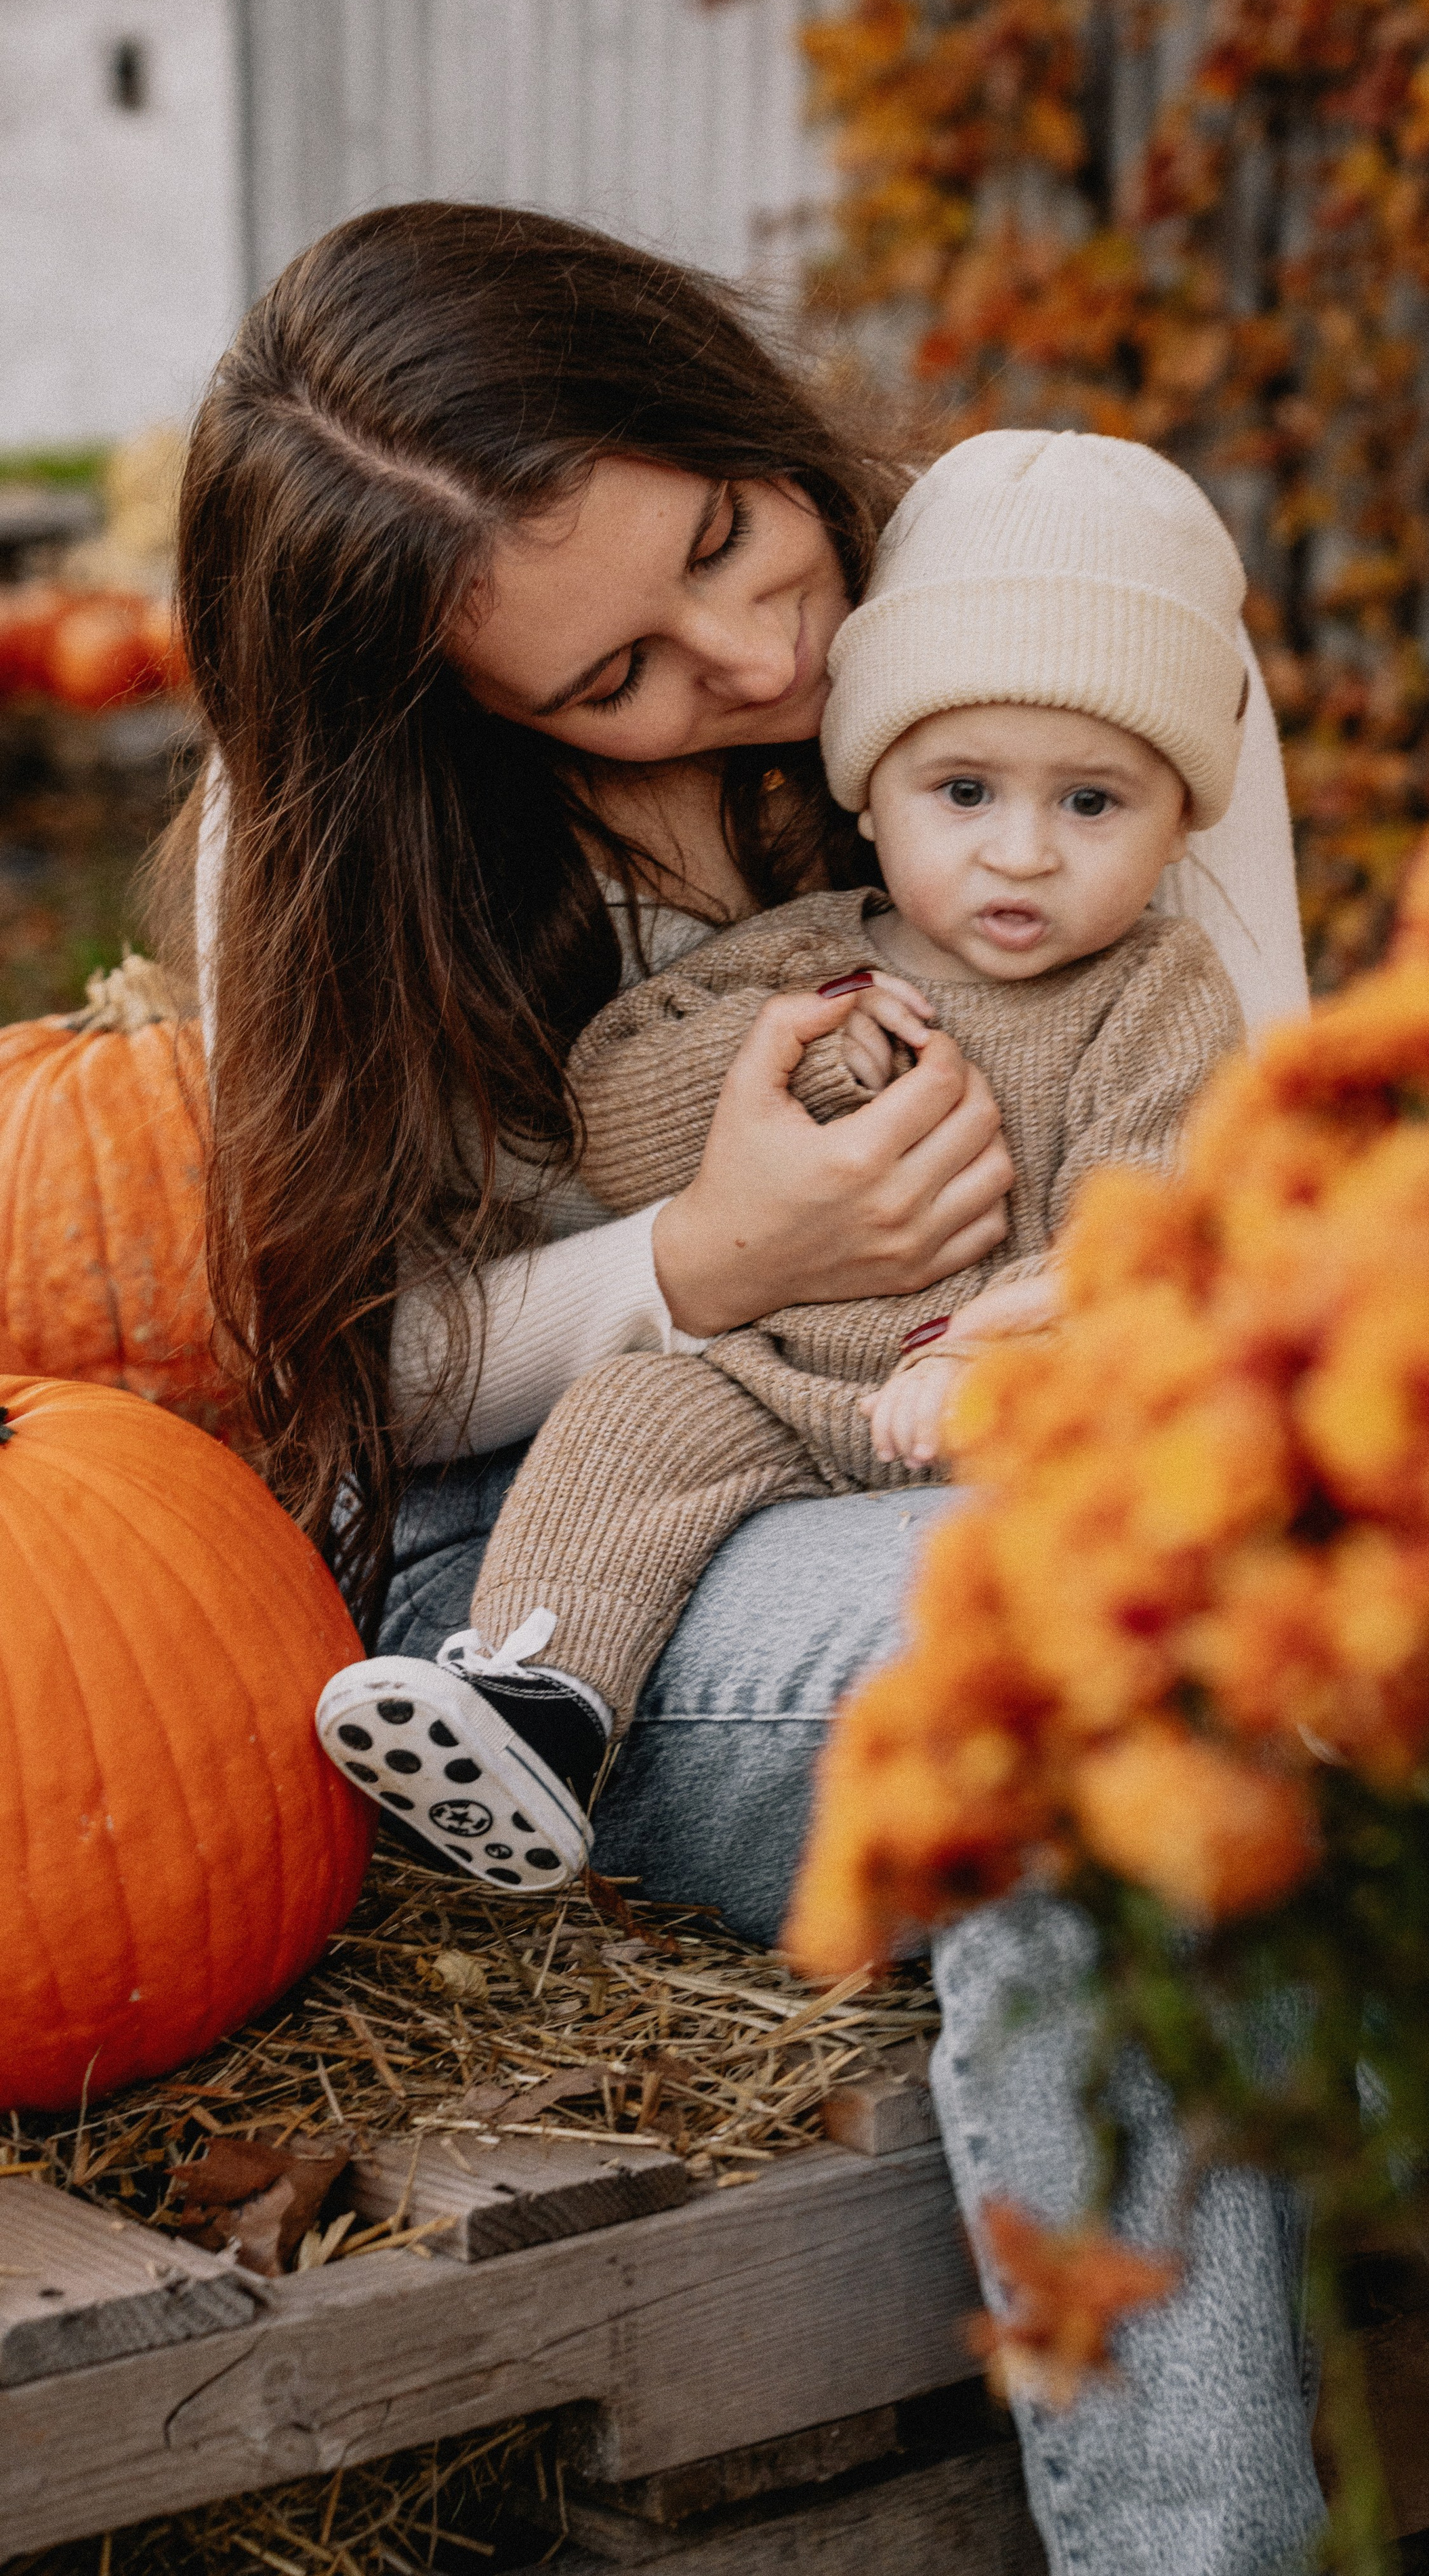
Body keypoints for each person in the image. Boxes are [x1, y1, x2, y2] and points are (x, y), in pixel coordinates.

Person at [167, 198, 1336, 2576]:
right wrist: (702, 1261)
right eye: (617, 678)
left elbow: (1256, 1133)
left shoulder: (1059, 609)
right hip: (581, 1556)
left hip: (1061, 1445)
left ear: (728, 403)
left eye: (727, 533)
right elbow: (344, 1376)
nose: (756, 643)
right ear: (463, 711)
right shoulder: (321, 865)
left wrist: (1122, 1311)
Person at [312, 428, 1251, 1894]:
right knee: (632, 1422)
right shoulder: (806, 956)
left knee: (1145, 1589)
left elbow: (1157, 1192)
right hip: (765, 1369)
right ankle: (534, 1697)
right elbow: (612, 1102)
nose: (1019, 853)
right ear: (867, 794)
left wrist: (1033, 1341)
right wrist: (778, 1065)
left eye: (1089, 804)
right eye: (962, 797)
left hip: (994, 1394)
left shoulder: (1152, 985)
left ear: (1178, 810)